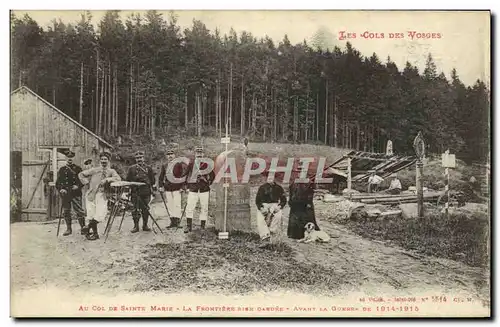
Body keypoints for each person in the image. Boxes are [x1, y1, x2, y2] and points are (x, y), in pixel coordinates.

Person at [78, 152, 121, 240]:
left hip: (102, 195)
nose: (103, 161)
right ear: (100, 160)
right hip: (91, 194)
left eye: (105, 159)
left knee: (101, 214)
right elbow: (81, 174)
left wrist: (107, 179)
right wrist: (86, 182)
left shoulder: (111, 171)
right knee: (91, 214)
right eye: (102, 159)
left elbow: (118, 178)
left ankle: (87, 227)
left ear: (108, 161)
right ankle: (95, 234)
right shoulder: (95, 170)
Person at [184, 146, 215, 233]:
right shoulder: (191, 164)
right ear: (195, 154)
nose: (199, 155)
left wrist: (208, 182)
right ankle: (189, 226)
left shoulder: (206, 164)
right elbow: (185, 175)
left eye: (201, 153)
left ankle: (202, 226)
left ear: (203, 154)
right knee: (190, 207)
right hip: (193, 189)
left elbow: (213, 175)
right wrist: (186, 186)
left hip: (204, 189)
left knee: (204, 208)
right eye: (197, 153)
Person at [56, 151, 85, 236]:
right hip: (66, 193)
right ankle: (68, 229)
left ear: (74, 158)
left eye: (71, 157)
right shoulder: (62, 170)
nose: (70, 159)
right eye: (68, 157)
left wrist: (78, 186)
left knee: (79, 211)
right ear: (65, 158)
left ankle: (83, 228)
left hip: (76, 193)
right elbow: (58, 182)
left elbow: (83, 181)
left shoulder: (78, 169)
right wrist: (61, 189)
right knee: (66, 211)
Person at [126, 150, 157, 233]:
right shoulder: (131, 168)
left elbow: (152, 180)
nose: (139, 159)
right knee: (135, 209)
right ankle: (136, 226)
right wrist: (129, 190)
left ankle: (145, 225)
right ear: (135, 159)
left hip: (146, 192)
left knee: (145, 209)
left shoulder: (148, 168)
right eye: (137, 158)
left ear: (143, 158)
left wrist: (152, 189)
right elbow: (128, 180)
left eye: (140, 157)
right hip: (135, 192)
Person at [255, 168, 287, 247]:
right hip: (264, 205)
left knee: (278, 216)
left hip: (275, 205)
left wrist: (279, 207)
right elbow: (257, 200)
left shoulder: (279, 188)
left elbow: (283, 200)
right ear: (266, 178)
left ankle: (272, 233)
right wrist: (261, 208)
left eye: (272, 177)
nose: (270, 178)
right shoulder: (262, 188)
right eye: (269, 177)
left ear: (274, 178)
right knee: (260, 218)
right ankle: (265, 237)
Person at [158, 148, 187, 229]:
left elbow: (182, 176)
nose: (170, 156)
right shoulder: (164, 165)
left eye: (171, 154)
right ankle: (172, 221)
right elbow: (161, 177)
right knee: (170, 205)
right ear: (166, 156)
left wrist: (182, 187)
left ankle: (177, 221)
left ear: (174, 155)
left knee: (177, 204)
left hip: (177, 188)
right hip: (168, 188)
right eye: (168, 154)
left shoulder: (178, 164)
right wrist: (160, 186)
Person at [288, 170, 320, 240]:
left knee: (307, 218)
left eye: (302, 173)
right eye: (299, 173)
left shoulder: (309, 183)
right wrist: (290, 201)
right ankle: (293, 235)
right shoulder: (294, 182)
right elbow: (291, 192)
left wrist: (308, 203)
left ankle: (309, 234)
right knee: (294, 220)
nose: (301, 174)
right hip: (295, 204)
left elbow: (310, 194)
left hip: (305, 204)